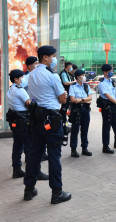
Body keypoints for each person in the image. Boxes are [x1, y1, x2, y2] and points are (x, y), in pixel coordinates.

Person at [24, 45, 71, 204]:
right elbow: (62, 99)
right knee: (54, 156)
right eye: (53, 56)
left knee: (34, 155)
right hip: (51, 119)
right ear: (46, 57)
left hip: (36, 119)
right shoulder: (52, 76)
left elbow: (34, 96)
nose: (55, 59)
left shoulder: (32, 74)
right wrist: (63, 96)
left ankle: (29, 189)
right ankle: (56, 192)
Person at [6, 69, 49, 180]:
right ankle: (36, 172)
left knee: (17, 146)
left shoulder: (10, 90)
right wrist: (35, 100)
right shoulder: (20, 90)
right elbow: (29, 104)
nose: (23, 79)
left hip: (15, 120)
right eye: (21, 77)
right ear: (16, 79)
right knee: (31, 148)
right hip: (23, 121)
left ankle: (17, 170)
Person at [23, 56, 49, 162]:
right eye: (35, 64)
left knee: (41, 131)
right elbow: (24, 91)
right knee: (31, 134)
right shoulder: (26, 77)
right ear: (30, 66)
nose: (37, 66)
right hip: (31, 108)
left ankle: (42, 153)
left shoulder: (37, 75)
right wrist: (30, 100)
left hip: (39, 108)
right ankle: (29, 155)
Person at [69, 69, 93, 157]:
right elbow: (73, 100)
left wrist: (81, 100)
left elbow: (90, 98)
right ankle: (73, 149)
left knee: (85, 130)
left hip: (86, 110)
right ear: (78, 77)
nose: (84, 77)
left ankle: (84, 148)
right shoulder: (73, 86)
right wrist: (84, 100)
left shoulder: (86, 86)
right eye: (82, 75)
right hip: (77, 110)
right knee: (75, 130)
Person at [59, 61, 74, 146]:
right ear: (68, 66)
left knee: (67, 108)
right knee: (64, 109)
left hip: (67, 93)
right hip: (65, 94)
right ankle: (64, 124)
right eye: (70, 66)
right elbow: (65, 83)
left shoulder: (67, 73)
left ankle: (65, 122)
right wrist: (73, 82)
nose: (71, 67)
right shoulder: (64, 73)